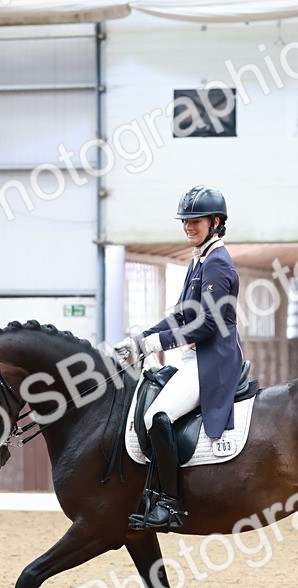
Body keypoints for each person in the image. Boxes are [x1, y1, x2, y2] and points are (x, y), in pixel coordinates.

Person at [114, 185, 243, 530]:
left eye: (195, 221)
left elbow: (207, 323)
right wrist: (140, 339)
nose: (188, 227)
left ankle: (170, 504)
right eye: (185, 221)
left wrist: (156, 343)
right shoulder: (199, 260)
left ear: (215, 222)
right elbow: (182, 316)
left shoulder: (217, 262)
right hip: (193, 358)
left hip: (212, 361)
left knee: (158, 416)